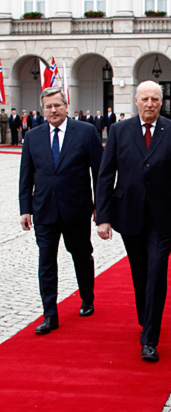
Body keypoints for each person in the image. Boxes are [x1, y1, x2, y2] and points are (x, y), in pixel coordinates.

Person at [96, 80, 171, 363]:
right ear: (136, 100)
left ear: (162, 101)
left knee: (157, 271)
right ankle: (147, 317)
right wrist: (102, 217)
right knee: (140, 272)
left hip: (163, 216)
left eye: (155, 99)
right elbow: (105, 176)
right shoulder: (119, 132)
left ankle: (149, 339)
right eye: (145, 99)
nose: (150, 104)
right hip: (128, 214)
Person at [19, 87, 103, 334]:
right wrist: (25, 209)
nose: (53, 110)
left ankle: (87, 297)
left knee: (81, 255)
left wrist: (100, 206)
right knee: (46, 262)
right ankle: (49, 314)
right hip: (44, 210)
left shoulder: (86, 133)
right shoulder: (33, 137)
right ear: (42, 109)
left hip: (76, 209)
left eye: (57, 105)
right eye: (48, 106)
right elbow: (26, 176)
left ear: (66, 106)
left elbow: (99, 173)